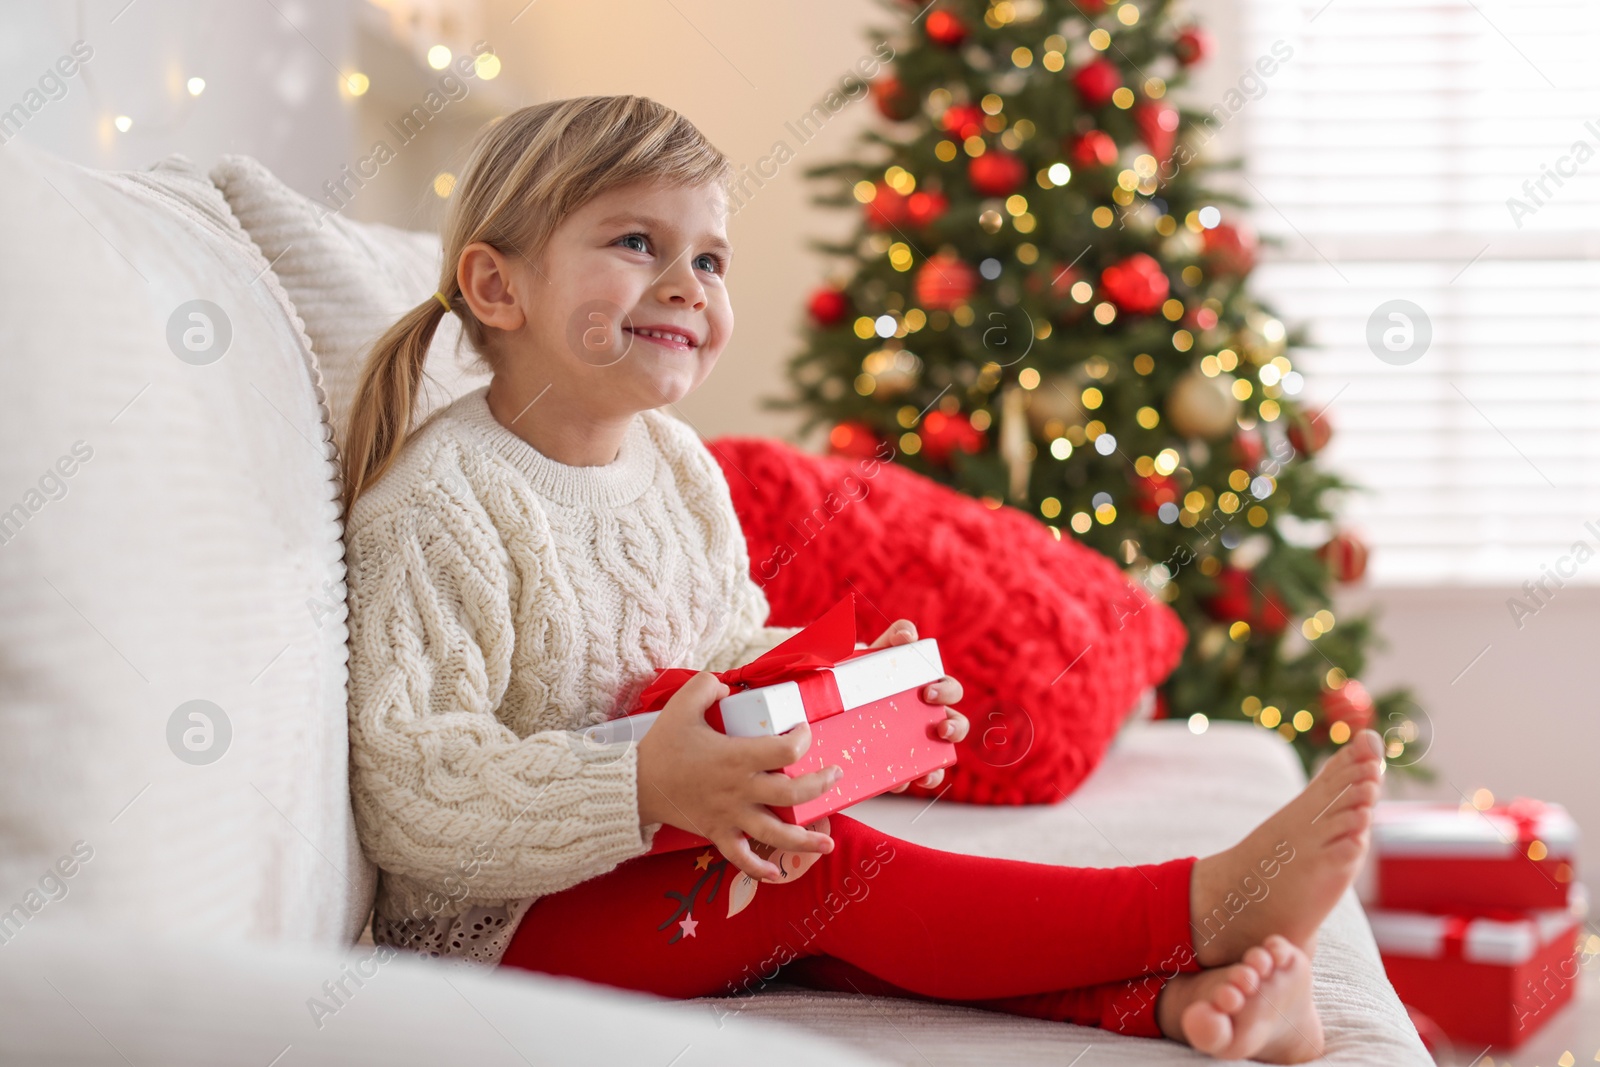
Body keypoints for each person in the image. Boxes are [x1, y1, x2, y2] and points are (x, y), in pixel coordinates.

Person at [339, 95, 1383, 1062]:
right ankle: (1194, 908)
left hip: (651, 855)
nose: (684, 286)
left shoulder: (677, 465)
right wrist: (644, 783)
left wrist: (834, 685)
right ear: (495, 285)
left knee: (832, 899)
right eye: (634, 243)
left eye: (708, 257)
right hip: (500, 937)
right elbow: (411, 795)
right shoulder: (441, 504)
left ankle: (1179, 1003)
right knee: (823, 878)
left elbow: (721, 645)